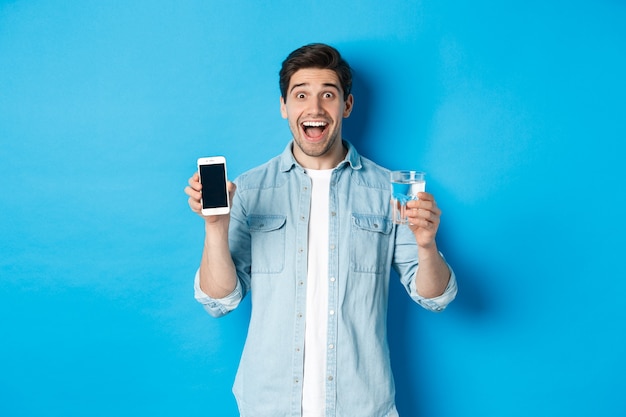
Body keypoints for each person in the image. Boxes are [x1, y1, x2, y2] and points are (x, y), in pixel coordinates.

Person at [184, 43, 457, 417]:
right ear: (284, 106)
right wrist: (215, 227)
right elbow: (220, 301)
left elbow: (435, 297)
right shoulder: (248, 190)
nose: (314, 109)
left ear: (346, 106)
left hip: (362, 407)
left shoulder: (388, 190)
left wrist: (426, 246)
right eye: (301, 95)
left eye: (328, 94)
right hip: (268, 406)